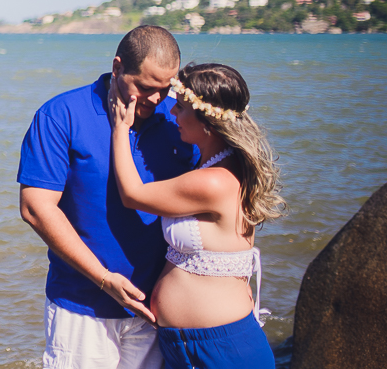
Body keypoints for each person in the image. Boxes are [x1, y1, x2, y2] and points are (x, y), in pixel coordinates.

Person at [18, 26, 197, 369]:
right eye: (145, 87)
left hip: (157, 308)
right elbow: (35, 208)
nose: (156, 99)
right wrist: (103, 278)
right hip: (81, 306)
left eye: (165, 88)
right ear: (117, 68)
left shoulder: (179, 120)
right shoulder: (61, 115)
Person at [108, 62, 286, 369]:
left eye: (180, 106)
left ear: (208, 122)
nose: (172, 112)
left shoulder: (214, 182)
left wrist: (120, 128)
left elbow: (132, 195)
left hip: (219, 349)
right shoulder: (216, 167)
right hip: (193, 346)